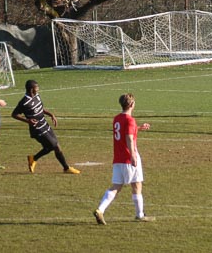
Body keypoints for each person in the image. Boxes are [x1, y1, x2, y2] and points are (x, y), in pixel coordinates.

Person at [93, 93, 153, 225]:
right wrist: (133, 155)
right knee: (136, 184)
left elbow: (124, 132)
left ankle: (100, 210)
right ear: (131, 104)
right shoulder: (130, 120)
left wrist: (138, 128)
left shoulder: (117, 118)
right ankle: (140, 215)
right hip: (128, 158)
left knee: (116, 186)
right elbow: (129, 138)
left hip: (118, 158)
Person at [11, 79, 80, 174]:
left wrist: (51, 114)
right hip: (37, 129)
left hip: (45, 124)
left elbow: (40, 108)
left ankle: (33, 158)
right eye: (37, 87)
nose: (38, 89)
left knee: (53, 147)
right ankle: (66, 168)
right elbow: (14, 114)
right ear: (31, 89)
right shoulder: (24, 102)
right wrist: (28, 121)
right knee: (54, 145)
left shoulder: (37, 96)